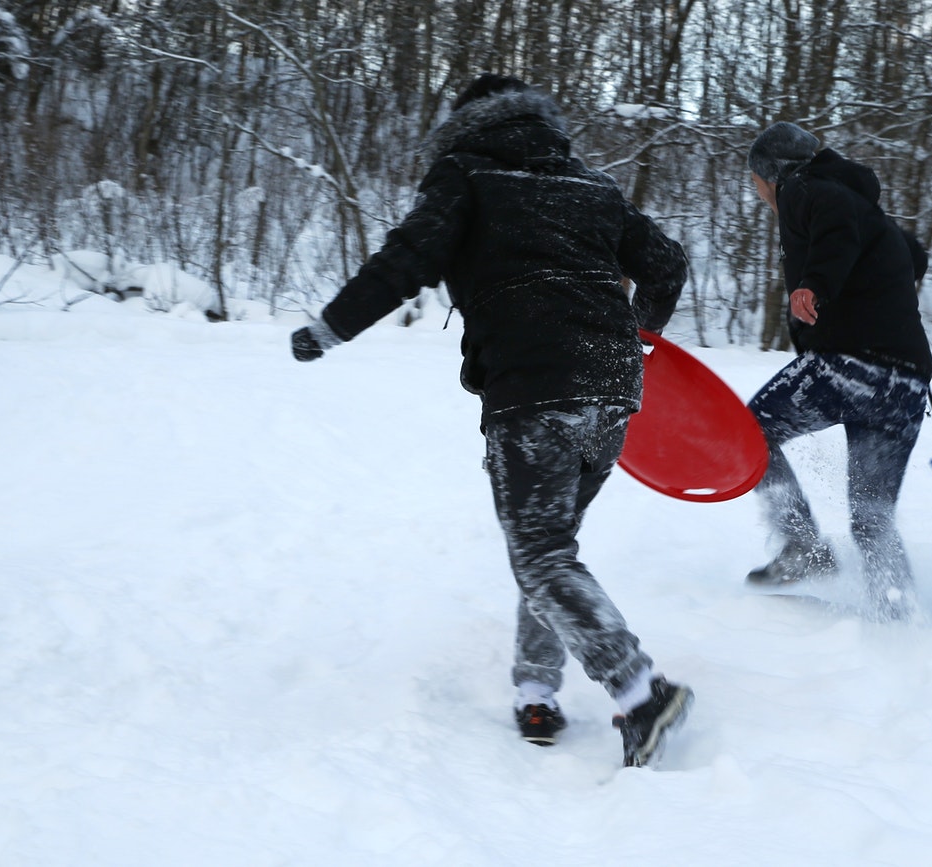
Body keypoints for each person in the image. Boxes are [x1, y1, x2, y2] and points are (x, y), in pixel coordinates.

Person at [290, 74, 693, 768]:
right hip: (611, 385)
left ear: (466, 123)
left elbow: (406, 260)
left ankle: (638, 687)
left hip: (536, 384)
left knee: (539, 552)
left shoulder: (468, 174)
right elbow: (666, 264)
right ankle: (537, 686)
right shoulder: (590, 183)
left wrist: (329, 328)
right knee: (550, 548)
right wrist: (633, 335)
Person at [743, 122, 932, 620]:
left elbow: (833, 225)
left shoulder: (804, 189)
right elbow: (912, 252)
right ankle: (899, 617)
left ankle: (801, 545)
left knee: (749, 431)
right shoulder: (866, 208)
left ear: (770, 174)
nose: (761, 194)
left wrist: (815, 283)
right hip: (905, 386)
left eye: (757, 182)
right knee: (872, 517)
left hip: (850, 368)